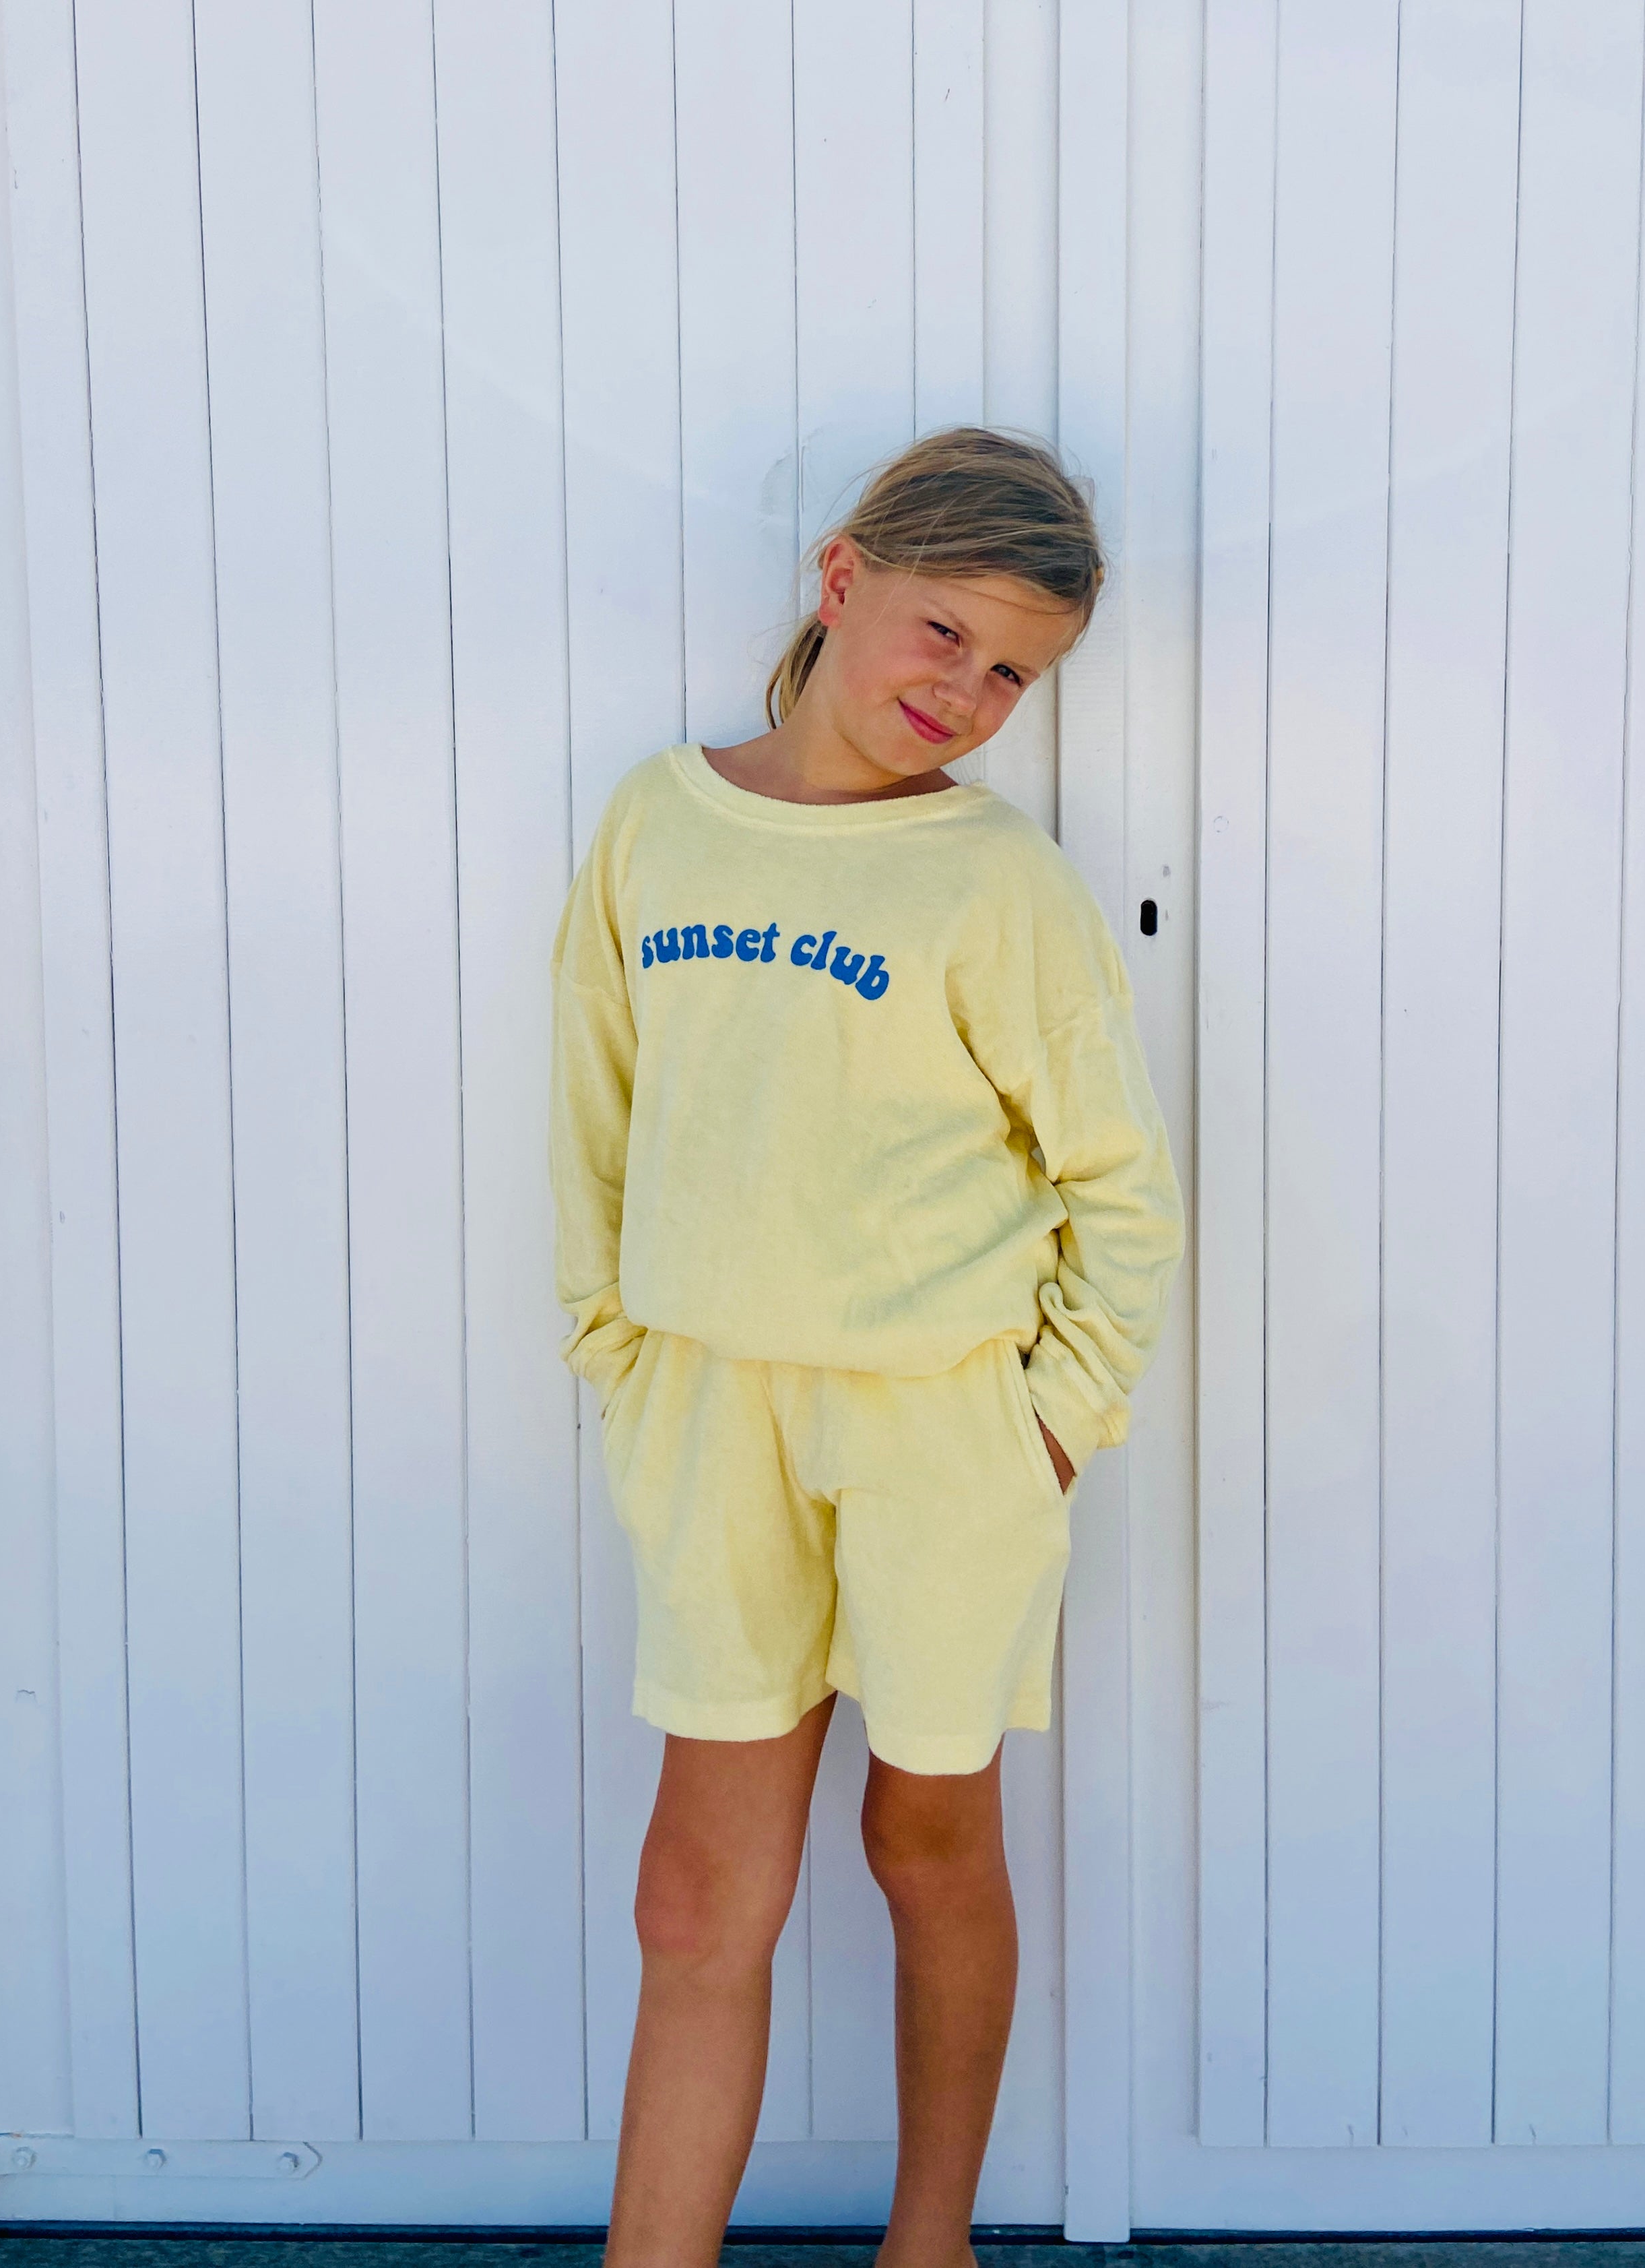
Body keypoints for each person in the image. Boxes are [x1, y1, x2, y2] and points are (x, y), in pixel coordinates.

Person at [549, 426, 1184, 2268]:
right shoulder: (660, 822)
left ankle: (933, 2246)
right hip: (712, 1416)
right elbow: (594, 1114)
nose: (966, 694)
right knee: (698, 1896)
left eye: (1013, 675)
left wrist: (1048, 1421)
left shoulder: (999, 881)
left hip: (940, 1435)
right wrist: (622, 1356)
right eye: (944, 633)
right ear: (842, 579)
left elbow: (1119, 1185)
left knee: (928, 1839)